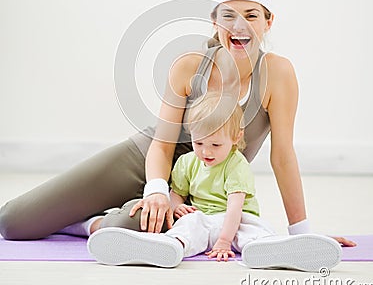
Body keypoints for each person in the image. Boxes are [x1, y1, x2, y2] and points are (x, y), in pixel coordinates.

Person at [0, 0, 355, 249]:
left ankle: (91, 223)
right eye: (228, 15)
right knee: (13, 222)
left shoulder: (278, 74)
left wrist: (301, 232)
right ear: (214, 23)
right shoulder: (189, 65)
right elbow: (163, 144)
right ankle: (107, 206)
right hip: (144, 159)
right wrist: (155, 188)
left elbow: (283, 157)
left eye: (251, 15)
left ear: (268, 22)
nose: (239, 25)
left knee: (131, 227)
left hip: (200, 185)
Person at [87, 92, 343, 271]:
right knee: (188, 227)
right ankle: (167, 248)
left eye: (215, 145)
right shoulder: (187, 162)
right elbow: (177, 192)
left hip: (235, 220)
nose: (206, 152)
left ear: (236, 137)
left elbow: (235, 209)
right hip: (203, 218)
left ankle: (269, 251)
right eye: (199, 143)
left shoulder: (236, 165)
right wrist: (176, 206)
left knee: (253, 230)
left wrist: (223, 240)